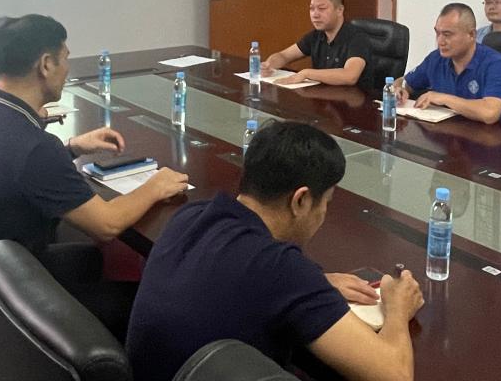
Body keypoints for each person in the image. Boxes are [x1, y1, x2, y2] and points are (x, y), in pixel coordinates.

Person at [0, 14, 189, 340]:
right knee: (147, 308)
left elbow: (12, 163)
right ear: (46, 64)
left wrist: (71, 147)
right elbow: (106, 225)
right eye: (65, 58)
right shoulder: (34, 147)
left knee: (87, 260)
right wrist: (155, 186)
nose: (67, 69)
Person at [126, 120, 425, 381]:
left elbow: (237, 277)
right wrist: (398, 309)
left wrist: (317, 282)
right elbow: (394, 375)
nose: (324, 213)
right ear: (300, 201)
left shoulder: (192, 215)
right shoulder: (281, 269)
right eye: (326, 202)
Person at [394, 3, 501, 125]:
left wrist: (443, 98)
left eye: (447, 35)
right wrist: (400, 89)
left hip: (495, 135)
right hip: (452, 131)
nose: (440, 41)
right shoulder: (436, 58)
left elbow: (489, 114)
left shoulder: (496, 64)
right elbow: (405, 82)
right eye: (438, 33)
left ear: (472, 35)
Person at [262, 0, 372, 87]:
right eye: (312, 9)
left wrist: (306, 73)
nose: (315, 15)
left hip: (353, 98)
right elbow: (284, 56)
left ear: (339, 10)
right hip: (323, 97)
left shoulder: (357, 38)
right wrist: (269, 64)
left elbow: (350, 76)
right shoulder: (316, 36)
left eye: (321, 8)